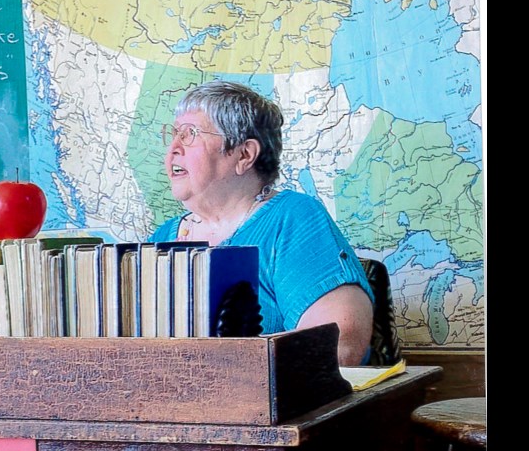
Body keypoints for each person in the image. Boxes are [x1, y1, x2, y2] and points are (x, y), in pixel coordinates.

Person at [149, 80, 374, 365]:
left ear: (244, 155)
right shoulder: (162, 237)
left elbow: (339, 346)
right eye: (173, 134)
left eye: (190, 134)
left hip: (273, 406)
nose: (173, 149)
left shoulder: (291, 219)